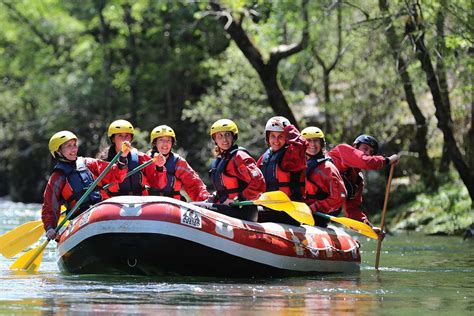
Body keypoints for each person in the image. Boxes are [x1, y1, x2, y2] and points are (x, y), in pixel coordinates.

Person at [42, 130, 131, 240]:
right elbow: (50, 206)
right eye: (68, 146)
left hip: (102, 208)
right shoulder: (57, 177)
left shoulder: (88, 163)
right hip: (79, 218)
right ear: (58, 151)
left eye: (74, 145)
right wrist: (50, 227)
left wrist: (122, 158)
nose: (74, 149)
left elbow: (116, 174)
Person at [328, 134, 399, 237]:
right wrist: (388, 160)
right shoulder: (342, 150)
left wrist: (369, 228)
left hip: (324, 214)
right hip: (308, 201)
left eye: (371, 152)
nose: (367, 153)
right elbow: (365, 162)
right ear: (355, 146)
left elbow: (353, 211)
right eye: (365, 148)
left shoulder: (357, 181)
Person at [208, 119, 265, 221]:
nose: (224, 139)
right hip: (230, 208)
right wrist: (215, 195)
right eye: (220, 136)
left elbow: (258, 181)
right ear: (215, 139)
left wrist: (240, 197)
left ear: (233, 137)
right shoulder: (222, 158)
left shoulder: (239, 156)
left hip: (243, 210)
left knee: (199, 207)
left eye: (227, 135)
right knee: (196, 205)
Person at [98, 119, 166, 197]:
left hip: (139, 201)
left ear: (131, 139)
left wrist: (159, 168)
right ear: (113, 139)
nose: (124, 139)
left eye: (127, 136)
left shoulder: (141, 158)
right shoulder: (104, 161)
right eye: (120, 135)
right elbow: (100, 189)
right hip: (115, 203)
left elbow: (159, 184)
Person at [148, 125, 210, 201]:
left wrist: (205, 199)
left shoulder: (179, 162)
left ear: (172, 143)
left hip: (173, 204)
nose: (165, 144)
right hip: (149, 204)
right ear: (155, 143)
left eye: (168, 140)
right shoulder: (146, 160)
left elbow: (194, 185)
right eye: (161, 140)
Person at [301, 126, 347, 227]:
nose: (312, 144)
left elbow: (340, 196)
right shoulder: (299, 164)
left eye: (316, 141)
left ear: (321, 143)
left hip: (318, 215)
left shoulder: (328, 168)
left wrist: (314, 207)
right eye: (309, 140)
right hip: (301, 211)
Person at [257, 116, 307, 201]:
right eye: (273, 136)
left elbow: (301, 145)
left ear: (286, 138)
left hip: (290, 206)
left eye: (280, 136)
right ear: (267, 138)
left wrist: (289, 128)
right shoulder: (264, 158)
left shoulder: (291, 155)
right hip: (269, 205)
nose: (276, 141)